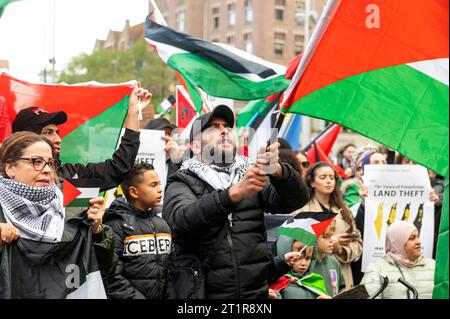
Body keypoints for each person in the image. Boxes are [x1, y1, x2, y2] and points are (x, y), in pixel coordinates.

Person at [162, 104, 309, 299]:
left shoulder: (250, 174)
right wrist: (232, 194)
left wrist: (278, 171)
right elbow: (180, 222)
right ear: (195, 146)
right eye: (213, 127)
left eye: (227, 127)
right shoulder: (182, 179)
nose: (224, 131)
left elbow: (296, 200)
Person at [0, 132, 114, 298]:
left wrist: (98, 231)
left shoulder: (74, 206)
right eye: (36, 162)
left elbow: (106, 268)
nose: (47, 170)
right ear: (10, 168)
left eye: (50, 163)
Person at [11, 84, 152, 192]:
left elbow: (118, 169)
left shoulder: (71, 175)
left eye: (57, 132)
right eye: (48, 132)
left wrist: (133, 113)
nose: (58, 139)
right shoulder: (5, 182)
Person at [104, 163, 172, 299]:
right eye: (153, 185)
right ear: (134, 192)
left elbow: (172, 269)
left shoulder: (163, 224)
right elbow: (111, 277)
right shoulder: (115, 225)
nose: (160, 190)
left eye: (160, 184)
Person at [294, 161, 362, 290]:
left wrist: (340, 249)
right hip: (313, 272)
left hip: (342, 273)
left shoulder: (344, 210)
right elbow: (296, 245)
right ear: (312, 182)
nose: (329, 181)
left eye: (332, 178)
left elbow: (358, 245)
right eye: (323, 177)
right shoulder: (302, 210)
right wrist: (327, 242)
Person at [361, 221, 435, 299]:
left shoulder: (433, 266)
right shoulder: (376, 268)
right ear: (396, 242)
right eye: (412, 238)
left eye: (418, 237)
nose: (418, 242)